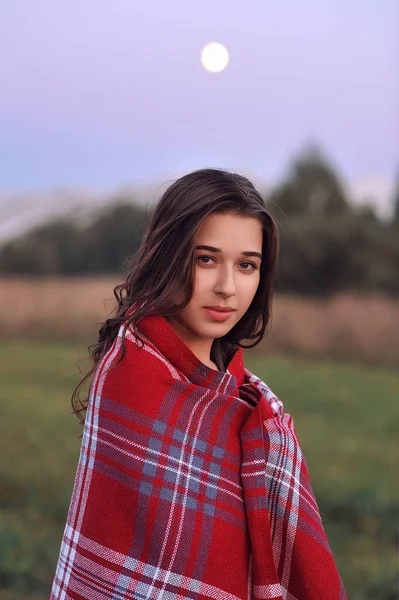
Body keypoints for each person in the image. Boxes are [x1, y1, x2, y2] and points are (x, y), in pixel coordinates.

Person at [49, 168, 347, 599]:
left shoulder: (254, 404)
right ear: (170, 257)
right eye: (205, 259)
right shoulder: (132, 377)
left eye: (247, 265)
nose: (227, 287)